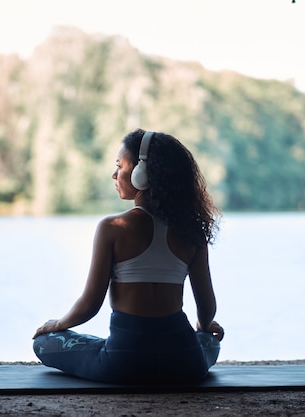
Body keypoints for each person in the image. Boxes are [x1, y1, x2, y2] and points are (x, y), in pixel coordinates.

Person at [33, 128, 224, 384]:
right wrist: (204, 325)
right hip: (186, 363)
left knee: (44, 343)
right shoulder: (192, 232)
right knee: (209, 341)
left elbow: (89, 305)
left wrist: (55, 325)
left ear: (140, 173)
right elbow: (207, 307)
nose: (114, 174)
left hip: (124, 363)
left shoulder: (112, 228)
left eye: (119, 165)